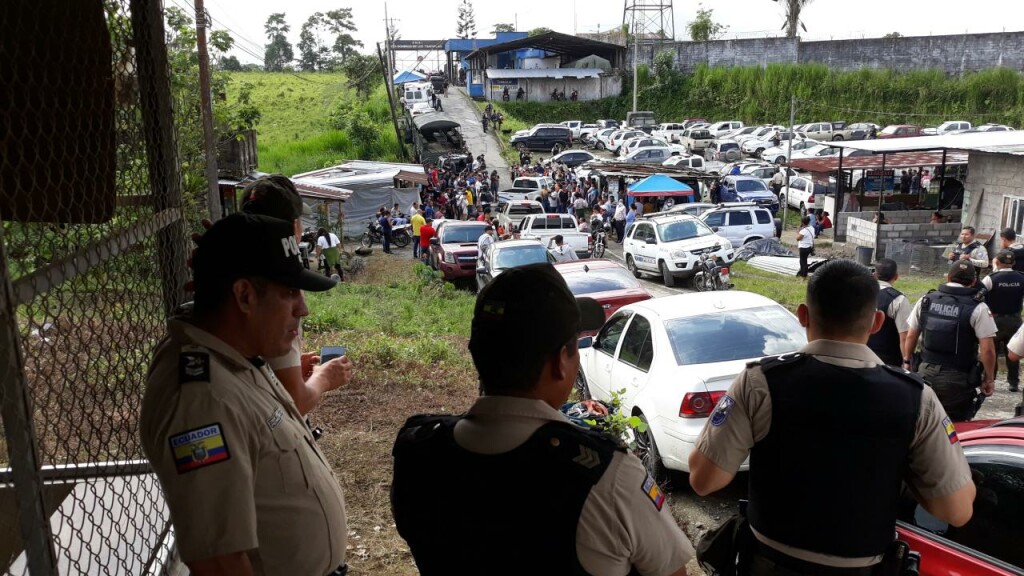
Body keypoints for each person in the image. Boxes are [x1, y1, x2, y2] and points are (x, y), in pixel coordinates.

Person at [391, 264, 697, 576]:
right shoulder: (606, 475)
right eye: (575, 347)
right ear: (560, 364)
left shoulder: (416, 450)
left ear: (475, 353)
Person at [689, 259, 976, 576]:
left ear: (802, 315)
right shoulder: (916, 398)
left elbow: (703, 480)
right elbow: (957, 510)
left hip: (767, 565)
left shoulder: (761, 382)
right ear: (877, 322)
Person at [141, 214, 352, 576]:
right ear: (244, 296)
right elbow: (219, 562)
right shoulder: (202, 399)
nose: (303, 309)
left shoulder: (234, 355)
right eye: (289, 293)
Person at [239, 176, 343, 414]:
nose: (302, 308)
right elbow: (295, 401)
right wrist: (324, 378)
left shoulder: (243, 263)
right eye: (290, 292)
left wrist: (293, 367)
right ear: (292, 226)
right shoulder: (272, 292)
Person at [904, 261, 997, 421]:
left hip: (924, 373)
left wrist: (907, 361)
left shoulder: (926, 300)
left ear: (948, 277)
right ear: (974, 282)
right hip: (957, 380)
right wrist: (988, 378)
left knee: (922, 423)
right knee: (954, 428)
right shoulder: (978, 308)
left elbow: (911, 336)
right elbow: (987, 350)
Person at [981, 249, 1024, 392]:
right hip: (1015, 319)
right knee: (1012, 351)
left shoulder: (991, 278)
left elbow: (979, 295)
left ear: (997, 262)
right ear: (1014, 263)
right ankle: (1013, 383)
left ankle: (990, 379)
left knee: (991, 351)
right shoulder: (1021, 278)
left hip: (994, 320)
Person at [866, 259, 911, 366]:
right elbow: (904, 336)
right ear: (896, 276)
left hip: (862, 356)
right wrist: (906, 362)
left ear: (874, 275)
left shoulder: (860, 294)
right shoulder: (898, 299)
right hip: (888, 362)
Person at [795, 215, 814, 279]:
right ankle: (803, 274)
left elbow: (798, 238)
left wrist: (798, 231)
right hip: (809, 247)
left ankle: (803, 276)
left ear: (802, 223)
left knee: (803, 262)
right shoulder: (812, 228)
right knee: (804, 260)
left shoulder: (803, 231)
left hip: (803, 248)